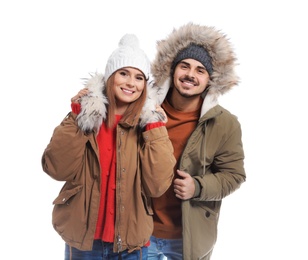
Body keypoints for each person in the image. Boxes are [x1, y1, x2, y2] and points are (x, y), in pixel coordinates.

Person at [41, 34, 176, 260]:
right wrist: (77, 116)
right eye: (123, 73)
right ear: (110, 76)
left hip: (131, 245)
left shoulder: (149, 126)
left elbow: (157, 185)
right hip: (84, 241)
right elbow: (57, 168)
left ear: (145, 85)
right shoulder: (87, 119)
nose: (131, 83)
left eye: (139, 77)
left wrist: (155, 127)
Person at [147, 23, 246, 260]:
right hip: (140, 232)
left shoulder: (224, 123)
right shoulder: (146, 111)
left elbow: (234, 175)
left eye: (201, 70)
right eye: (185, 66)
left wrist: (198, 186)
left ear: (210, 80)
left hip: (189, 238)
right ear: (172, 70)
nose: (191, 75)